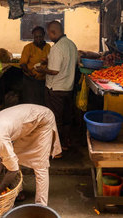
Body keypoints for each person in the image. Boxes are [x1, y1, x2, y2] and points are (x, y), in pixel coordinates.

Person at [36, 21, 77, 152]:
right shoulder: (71, 44)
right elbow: (68, 63)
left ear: (53, 32)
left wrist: (42, 70)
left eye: (49, 33)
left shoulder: (56, 48)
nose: (49, 36)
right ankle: (66, 142)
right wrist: (48, 60)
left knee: (55, 119)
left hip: (55, 89)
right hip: (68, 88)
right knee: (66, 118)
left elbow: (54, 71)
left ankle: (56, 148)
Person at [20, 26, 51, 105]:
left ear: (44, 35)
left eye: (40, 36)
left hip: (44, 80)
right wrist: (29, 72)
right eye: (36, 37)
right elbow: (23, 63)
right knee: (31, 102)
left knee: (42, 102)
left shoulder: (48, 47)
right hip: (31, 80)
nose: (38, 39)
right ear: (33, 37)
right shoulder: (28, 47)